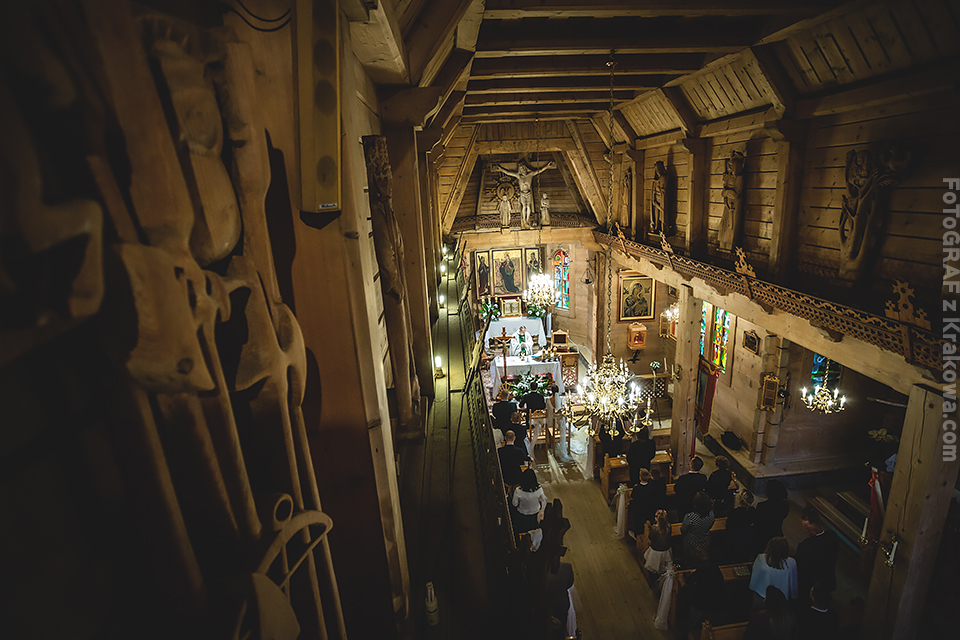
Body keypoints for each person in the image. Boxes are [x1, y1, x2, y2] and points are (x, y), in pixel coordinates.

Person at [677, 547, 724, 640]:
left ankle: (687, 634)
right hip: (717, 602)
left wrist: (690, 575)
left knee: (692, 621)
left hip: (702, 605)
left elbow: (690, 580)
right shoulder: (713, 567)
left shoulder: (700, 574)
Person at [795, 507, 840, 602]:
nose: (805, 531)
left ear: (813, 530)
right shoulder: (833, 536)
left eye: (806, 528)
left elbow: (800, 567)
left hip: (812, 583)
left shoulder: (805, 546)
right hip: (828, 578)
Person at [494, 161, 556, 228]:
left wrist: (547, 166)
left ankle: (527, 219)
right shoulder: (519, 176)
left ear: (526, 168)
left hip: (528, 193)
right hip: (522, 194)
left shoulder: (530, 174)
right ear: (520, 170)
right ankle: (524, 220)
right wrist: (500, 169)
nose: (523, 170)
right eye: (521, 169)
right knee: (524, 207)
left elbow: (539, 171)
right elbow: (508, 173)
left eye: (523, 168)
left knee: (528, 207)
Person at [749, 537, 798, 602]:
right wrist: (794, 595)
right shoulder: (791, 562)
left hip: (762, 593)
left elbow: (755, 574)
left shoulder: (761, 558)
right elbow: (793, 580)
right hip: (782, 596)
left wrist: (752, 586)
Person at [754, 479, 790, 552]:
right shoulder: (786, 505)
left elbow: (758, 522)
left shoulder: (762, 506)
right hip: (777, 532)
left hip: (762, 535)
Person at [681, 491, 716, 563]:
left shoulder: (690, 517)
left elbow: (683, 530)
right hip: (705, 542)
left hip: (691, 544)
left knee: (689, 560)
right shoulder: (711, 514)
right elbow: (710, 525)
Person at [512, 468, 548, 534]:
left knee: (522, 532)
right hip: (534, 515)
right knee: (533, 532)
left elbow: (514, 504)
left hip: (522, 515)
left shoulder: (518, 491)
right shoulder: (539, 489)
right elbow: (543, 501)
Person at [725, 490, 757, 563]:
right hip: (748, 541)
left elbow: (728, 528)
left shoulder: (733, 513)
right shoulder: (753, 512)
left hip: (733, 541)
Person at [519, 380, 546, 457]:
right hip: (539, 419)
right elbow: (543, 406)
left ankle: (530, 440)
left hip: (530, 420)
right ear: (537, 388)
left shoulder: (527, 396)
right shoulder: (540, 396)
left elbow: (521, 405)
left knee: (529, 422)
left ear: (530, 388)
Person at [643, 509, 674, 576]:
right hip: (666, 550)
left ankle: (653, 575)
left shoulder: (654, 528)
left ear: (657, 519)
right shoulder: (669, 527)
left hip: (656, 550)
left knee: (652, 565)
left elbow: (651, 537)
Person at [628, 469, 657, 534]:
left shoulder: (637, 488)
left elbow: (632, 496)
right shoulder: (651, 486)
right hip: (648, 508)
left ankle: (637, 534)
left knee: (638, 522)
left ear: (640, 477)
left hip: (639, 508)